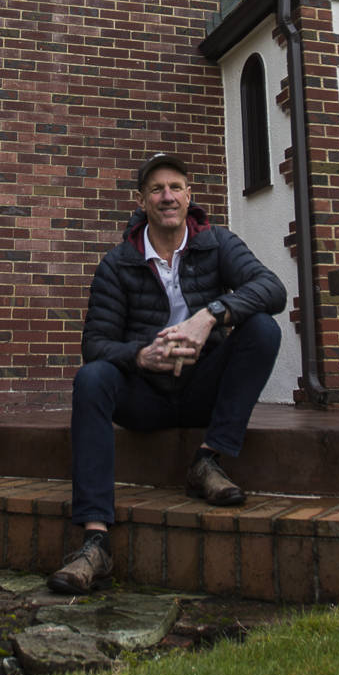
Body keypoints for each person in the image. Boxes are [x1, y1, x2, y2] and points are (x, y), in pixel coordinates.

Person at [47, 150, 285, 594]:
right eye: (156, 189)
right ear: (142, 201)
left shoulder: (218, 243)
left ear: (189, 195)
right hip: (146, 398)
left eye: (176, 186)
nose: (167, 196)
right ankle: (95, 542)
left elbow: (272, 288)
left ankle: (208, 460)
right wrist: (140, 356)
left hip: (202, 389)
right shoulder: (118, 262)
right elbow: (94, 345)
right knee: (92, 378)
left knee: (262, 328)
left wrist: (212, 314)